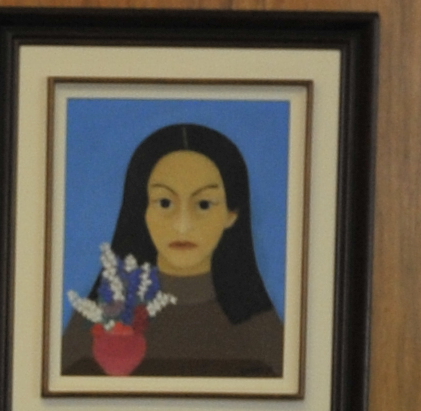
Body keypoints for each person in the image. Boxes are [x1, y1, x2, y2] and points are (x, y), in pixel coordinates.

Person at [57, 122, 283, 379]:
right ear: (142, 210)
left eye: (204, 204)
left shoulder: (262, 331)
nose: (183, 225)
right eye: (164, 202)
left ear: (232, 214)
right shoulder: (100, 320)